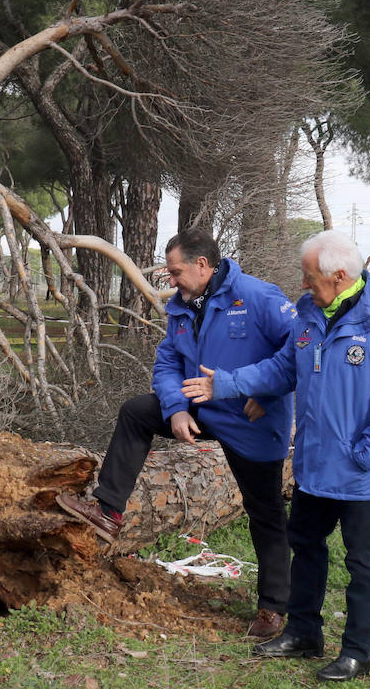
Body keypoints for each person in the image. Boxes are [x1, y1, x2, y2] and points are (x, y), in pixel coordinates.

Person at [182, 230, 370, 681]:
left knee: (362, 563)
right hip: (313, 467)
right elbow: (283, 368)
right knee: (306, 548)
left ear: (339, 275)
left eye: (310, 277)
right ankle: (304, 632)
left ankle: (357, 652)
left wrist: (364, 453)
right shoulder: (309, 313)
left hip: (359, 474)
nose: (304, 284)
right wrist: (227, 384)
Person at [57, 229, 295, 639]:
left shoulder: (259, 297)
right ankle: (109, 512)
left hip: (251, 420)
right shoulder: (182, 307)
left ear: (203, 265)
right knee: (136, 412)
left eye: (175, 271)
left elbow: (300, 349)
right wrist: (177, 410)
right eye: (168, 272)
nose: (170, 280)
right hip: (200, 407)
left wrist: (268, 393)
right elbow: (167, 363)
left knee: (266, 513)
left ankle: (274, 608)